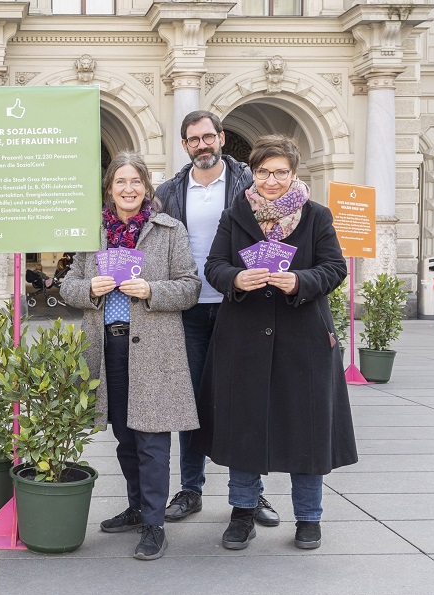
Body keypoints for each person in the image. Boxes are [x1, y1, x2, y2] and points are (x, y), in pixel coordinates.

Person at [191, 134, 358, 551]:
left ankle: (308, 518)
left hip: (303, 340)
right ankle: (242, 513)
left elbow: (334, 268)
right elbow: (214, 266)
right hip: (244, 339)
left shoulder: (316, 215)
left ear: (294, 173)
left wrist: (301, 280)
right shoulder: (236, 214)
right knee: (245, 429)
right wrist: (236, 279)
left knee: (307, 430)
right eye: (264, 171)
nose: (271, 180)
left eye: (281, 172)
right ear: (253, 171)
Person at [61, 151, 201, 560]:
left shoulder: (169, 230)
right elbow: (67, 285)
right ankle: (138, 506)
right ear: (110, 188)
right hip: (106, 348)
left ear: (146, 188)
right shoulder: (92, 233)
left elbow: (190, 287)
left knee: (152, 438)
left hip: (155, 349)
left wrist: (152, 291)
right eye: (120, 182)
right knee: (124, 437)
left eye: (135, 182)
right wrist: (90, 288)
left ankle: (155, 525)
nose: (128, 189)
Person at [154, 110, 280, 527]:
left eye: (208, 137)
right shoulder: (170, 191)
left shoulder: (248, 180)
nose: (202, 145)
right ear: (185, 145)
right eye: (193, 140)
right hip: (189, 307)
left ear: (222, 138)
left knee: (245, 399)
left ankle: (251, 494)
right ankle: (190, 488)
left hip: (240, 304)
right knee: (189, 400)